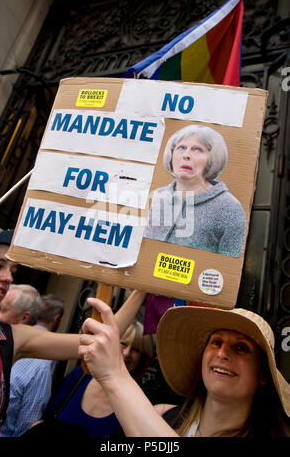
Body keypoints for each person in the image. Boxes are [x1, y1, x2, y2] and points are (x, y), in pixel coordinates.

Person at [79, 298, 290, 437]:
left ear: (262, 374)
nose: (222, 353)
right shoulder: (162, 415)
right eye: (216, 342)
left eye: (242, 348)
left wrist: (114, 374)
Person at [22, 290, 153, 438]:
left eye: (136, 350)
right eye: (123, 344)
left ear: (143, 358)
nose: (127, 353)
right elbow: (46, 418)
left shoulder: (140, 402)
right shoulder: (81, 375)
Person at [0, 228, 80, 437]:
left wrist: (138, 289)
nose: (8, 278)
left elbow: (87, 343)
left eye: (12, 270)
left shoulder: (6, 337)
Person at [144, 124, 246, 257]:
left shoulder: (230, 208)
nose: (186, 155)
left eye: (197, 150)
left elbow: (228, 268)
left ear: (212, 159)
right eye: (181, 148)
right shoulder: (157, 196)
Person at [0, 292, 65, 437]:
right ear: (57, 318)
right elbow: (27, 424)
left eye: (2, 309)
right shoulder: (42, 361)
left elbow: (27, 424)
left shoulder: (38, 360)